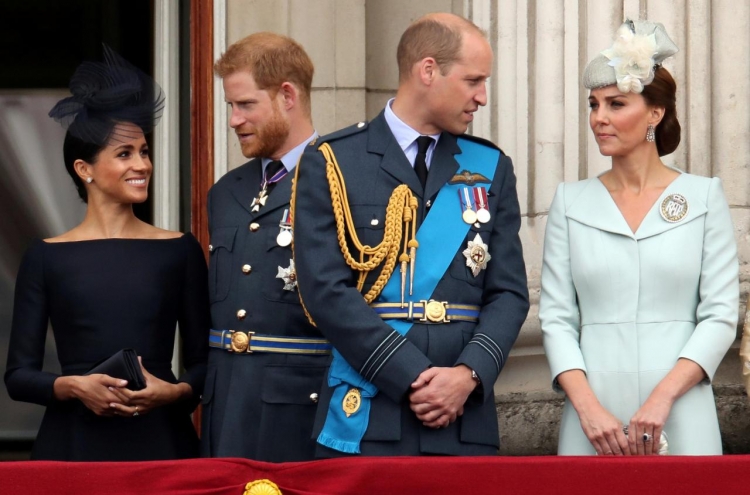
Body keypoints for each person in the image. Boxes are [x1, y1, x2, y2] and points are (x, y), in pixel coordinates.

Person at [293, 13, 529, 457]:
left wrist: (468, 375)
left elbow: (509, 293)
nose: (481, 97)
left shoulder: (491, 166)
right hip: (369, 407)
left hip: (464, 417)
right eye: (473, 80)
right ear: (427, 71)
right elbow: (324, 289)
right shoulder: (334, 162)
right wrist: (410, 375)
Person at [539, 20, 739, 456]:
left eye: (616, 103)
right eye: (594, 105)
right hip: (591, 420)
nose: (599, 118)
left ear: (655, 112)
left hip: (681, 409)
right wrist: (588, 409)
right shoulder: (571, 202)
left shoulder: (703, 197)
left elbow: (721, 315)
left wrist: (663, 398)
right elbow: (556, 319)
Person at [4, 46, 209, 461]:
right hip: (72, 446)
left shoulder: (179, 249)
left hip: (162, 443)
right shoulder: (46, 256)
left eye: (144, 151)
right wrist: (74, 386)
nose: (143, 164)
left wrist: (175, 391)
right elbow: (18, 377)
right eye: (125, 153)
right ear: (85, 170)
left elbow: (208, 365)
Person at [201, 32, 331, 462]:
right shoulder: (225, 191)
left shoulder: (341, 181)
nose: (234, 120)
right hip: (226, 410)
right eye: (230, 107)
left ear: (287, 95)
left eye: (245, 105)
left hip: (301, 411)